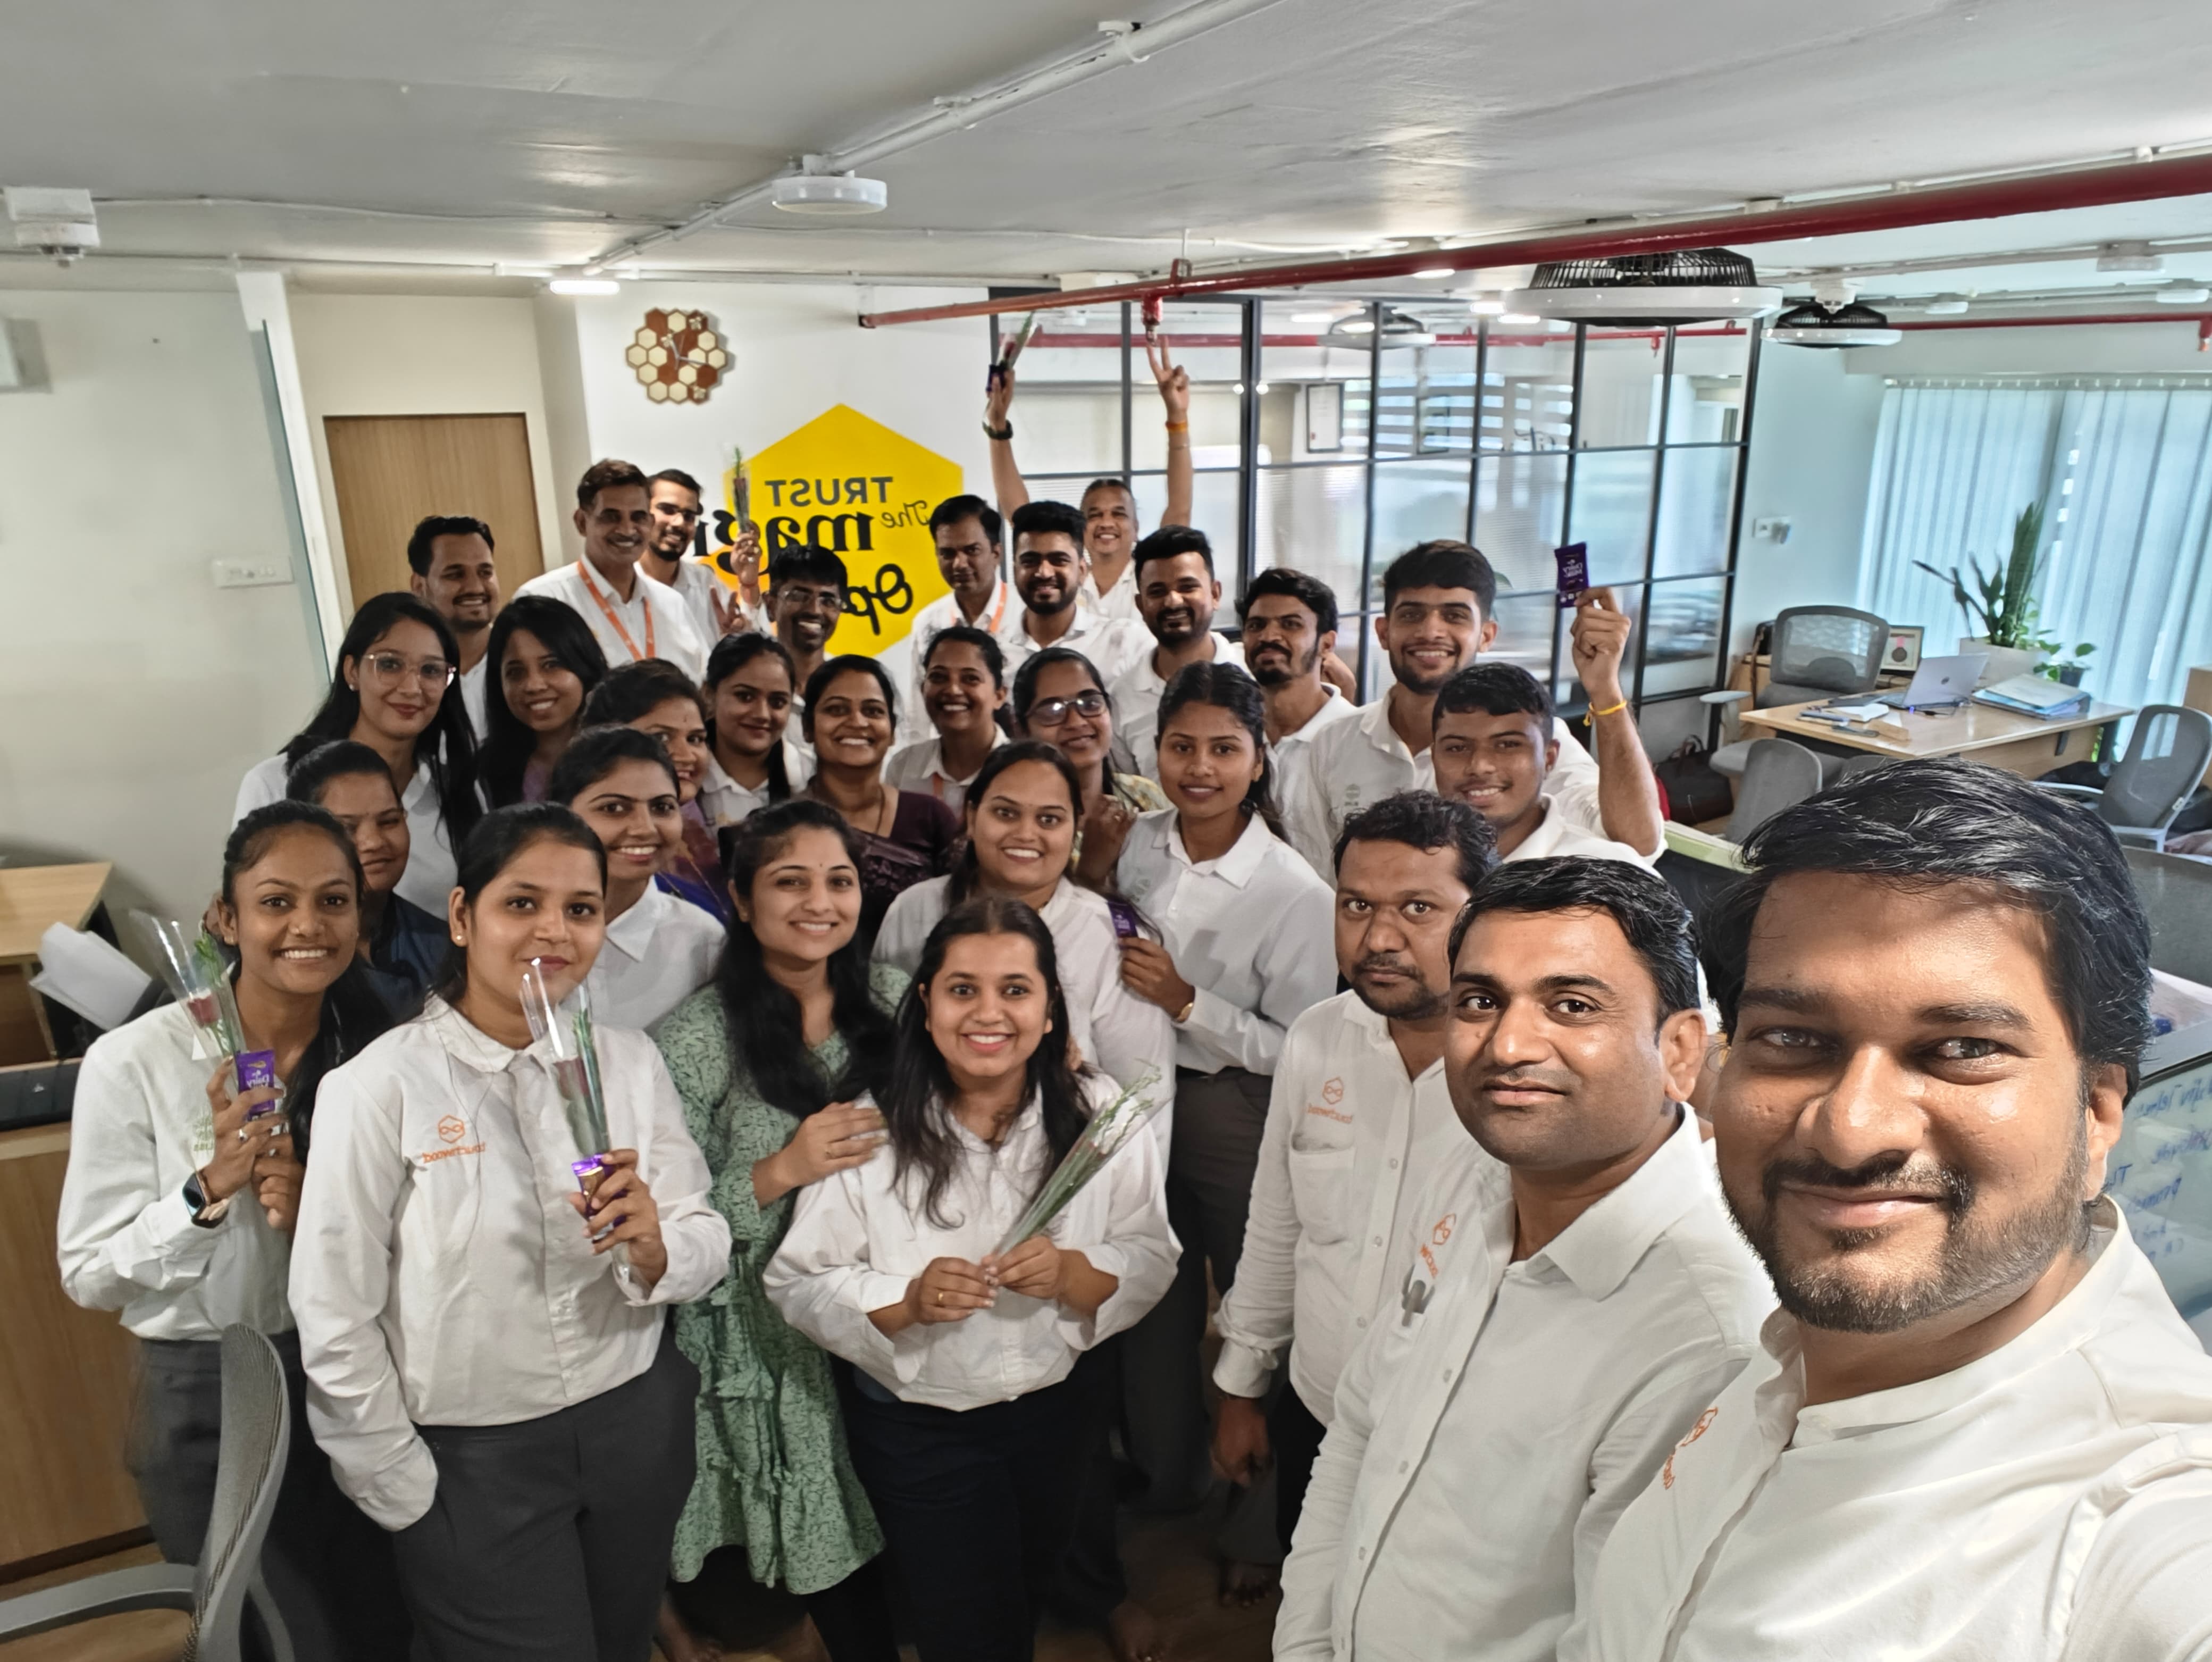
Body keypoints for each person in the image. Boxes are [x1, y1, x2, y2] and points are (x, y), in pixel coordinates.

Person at [1569, 760, 2212, 1662]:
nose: (1849, 1131)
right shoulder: (1802, 1350)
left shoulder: (2142, 1531)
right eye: (1794, 1038)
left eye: (1962, 1049)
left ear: (2099, 1110)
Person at [1277, 857, 1770, 1661]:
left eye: (1572, 1005)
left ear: (1681, 1050)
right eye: (1480, 1001)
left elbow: (1620, 1641)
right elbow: (1362, 1426)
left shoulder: (1706, 1336)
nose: (1507, 1044)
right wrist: (1306, 1644)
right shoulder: (1476, 1179)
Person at [291, 803, 730, 1662]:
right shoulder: (381, 1087)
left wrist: (655, 1245)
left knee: (619, 1643)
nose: (554, 931)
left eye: (581, 909)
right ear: (463, 916)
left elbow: (702, 1233)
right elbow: (333, 1306)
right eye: (522, 903)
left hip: (632, 1420)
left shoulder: (627, 1061)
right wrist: (398, 1478)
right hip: (472, 1457)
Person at [764, 898, 1178, 1662]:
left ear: (1050, 1010)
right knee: (966, 1627)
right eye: (963, 989)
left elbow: (1151, 1251)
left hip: (1058, 1408)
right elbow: (799, 1281)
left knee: (1028, 1585)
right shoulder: (869, 1127)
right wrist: (906, 1301)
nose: (988, 1012)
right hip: (922, 1427)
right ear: (926, 1004)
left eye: (1015, 990)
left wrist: (1071, 1272)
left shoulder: (1100, 1115)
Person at [58, 803, 407, 1662]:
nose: (307, 926)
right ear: (226, 917)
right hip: (207, 1391)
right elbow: (91, 1272)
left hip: (356, 1371)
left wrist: (325, 1213)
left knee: (379, 1621)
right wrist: (207, 1190)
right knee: (270, 1636)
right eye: (276, 901)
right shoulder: (136, 1061)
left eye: (333, 901)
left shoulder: (381, 1055)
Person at [1210, 791, 1496, 1579]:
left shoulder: (1518, 1074)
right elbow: (1277, 1223)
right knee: (1309, 1592)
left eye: (1417, 908)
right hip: (1318, 1408)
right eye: (1356, 905)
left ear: (1481, 915)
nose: (1378, 938)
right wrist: (1241, 1386)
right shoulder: (1316, 1039)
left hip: (1451, 1450)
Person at [653, 800, 903, 1662]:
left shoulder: (899, 1001)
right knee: (822, 1547)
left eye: (839, 881)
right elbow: (669, 1228)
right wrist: (781, 1169)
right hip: (766, 1332)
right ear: (741, 897)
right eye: (790, 882)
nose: (820, 903)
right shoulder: (693, 1039)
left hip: (889, 1303)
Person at [1113, 663, 1336, 1546]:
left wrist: (1188, 1003)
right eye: (1181, 747)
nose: (1199, 768)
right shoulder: (1139, 844)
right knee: (1149, 1298)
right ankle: (1169, 1478)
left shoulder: (1293, 891)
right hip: (1136, 1103)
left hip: (1231, 1107)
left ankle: (1254, 1527)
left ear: (1258, 757)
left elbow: (1299, 1048)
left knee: (1255, 1305)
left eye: (1223, 749)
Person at [1285, 541, 1663, 875]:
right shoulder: (1334, 742)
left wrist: (1605, 689)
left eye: (1455, 616)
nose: (1431, 631)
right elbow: (1321, 875)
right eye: (1412, 614)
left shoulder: (1529, 743)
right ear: (1384, 632)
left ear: (1486, 635)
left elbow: (1639, 843)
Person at [876, 740, 1175, 1106]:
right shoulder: (913, 910)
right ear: (972, 815)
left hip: (1076, 1139)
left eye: (1049, 819)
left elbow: (1145, 1093)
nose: (1026, 834)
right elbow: (886, 1051)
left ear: (1075, 827)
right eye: (1006, 813)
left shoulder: (1113, 937)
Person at [234, 591, 480, 920]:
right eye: (389, 665)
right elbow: (251, 909)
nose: (412, 687)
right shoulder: (274, 783)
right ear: (352, 671)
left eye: (431, 670)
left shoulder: (457, 788)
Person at [987, 337, 1193, 622]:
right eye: (1094, 515)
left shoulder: (1151, 578)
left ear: (1136, 528)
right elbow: (1020, 516)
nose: (1106, 523)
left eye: (1118, 514)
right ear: (1081, 529)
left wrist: (1177, 417)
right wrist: (998, 429)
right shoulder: (1067, 578)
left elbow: (1179, 509)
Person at [549, 726, 725, 1030]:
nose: (645, 828)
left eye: (662, 807)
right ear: (561, 816)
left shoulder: (702, 941)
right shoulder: (522, 930)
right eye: (614, 808)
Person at [801, 655, 961, 945]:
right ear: (808, 728)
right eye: (837, 709)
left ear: (892, 731)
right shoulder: (781, 825)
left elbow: (962, 916)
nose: (857, 722)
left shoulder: (930, 818)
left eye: (873, 711)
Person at [1432, 664, 1655, 865]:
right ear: (1434, 757)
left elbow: (1641, 836)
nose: (1479, 766)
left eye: (1507, 745)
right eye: (1457, 748)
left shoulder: (1602, 871)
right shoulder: (1418, 860)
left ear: (1549, 759)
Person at [285, 739, 450, 1010]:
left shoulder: (443, 948)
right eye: (347, 828)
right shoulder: (279, 947)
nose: (374, 842)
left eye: (389, 821)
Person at [517, 458, 708, 680]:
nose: (627, 530)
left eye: (638, 517)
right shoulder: (543, 601)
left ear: (650, 522)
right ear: (581, 522)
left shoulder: (672, 604)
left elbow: (703, 683)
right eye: (611, 517)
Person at [1009, 646, 1168, 890]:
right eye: (1052, 711)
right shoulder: (1018, 822)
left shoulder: (1143, 795)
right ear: (1021, 730)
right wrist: (1090, 872)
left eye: (1091, 703)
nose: (1076, 721)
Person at [581, 658, 728, 921]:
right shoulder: (589, 845)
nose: (687, 755)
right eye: (661, 737)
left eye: (695, 739)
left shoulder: (697, 837)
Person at [1109, 525, 1235, 779]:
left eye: (1187, 587)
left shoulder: (1254, 677)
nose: (1173, 601)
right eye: (1157, 592)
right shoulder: (1121, 698)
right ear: (1140, 605)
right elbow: (1134, 794)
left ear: (1215, 594)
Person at [1240, 568, 1358, 823]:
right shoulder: (1235, 732)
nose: (1268, 637)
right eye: (1256, 625)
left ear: (1326, 644)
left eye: (1291, 624)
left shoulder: (1357, 738)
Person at [476, 594, 610, 807]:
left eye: (551, 665)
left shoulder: (624, 757)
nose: (534, 685)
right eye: (516, 672)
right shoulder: (483, 775)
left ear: (584, 667)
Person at [993, 500, 1146, 683]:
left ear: (1082, 571)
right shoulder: (995, 653)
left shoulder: (1123, 643)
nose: (1044, 572)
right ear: (1015, 570)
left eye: (1059, 560)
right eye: (1030, 561)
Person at [900, 495, 1012, 742]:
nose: (960, 564)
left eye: (972, 551)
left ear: (996, 553)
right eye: (948, 554)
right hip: (949, 756)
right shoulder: (928, 622)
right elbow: (918, 716)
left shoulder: (1026, 615)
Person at [882, 624, 1008, 813]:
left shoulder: (1024, 769)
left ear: (999, 695)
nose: (953, 690)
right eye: (939, 677)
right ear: (923, 689)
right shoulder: (904, 767)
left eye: (970, 678)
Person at [697, 632, 814, 829]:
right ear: (709, 695)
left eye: (777, 702)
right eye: (745, 697)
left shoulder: (809, 777)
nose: (762, 714)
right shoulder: (684, 771)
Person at [406, 514, 500, 734]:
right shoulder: (404, 676)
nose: (475, 587)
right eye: (456, 575)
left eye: (485, 572)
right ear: (419, 586)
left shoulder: (521, 664)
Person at [641, 467, 750, 645]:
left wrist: (735, 639)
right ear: (642, 513)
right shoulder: (622, 585)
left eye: (689, 516)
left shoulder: (705, 583)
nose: (679, 523)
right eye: (668, 510)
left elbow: (746, 639)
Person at [766, 543, 850, 711]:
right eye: (799, 596)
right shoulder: (749, 685)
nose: (814, 610)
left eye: (828, 601)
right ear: (771, 606)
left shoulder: (854, 687)